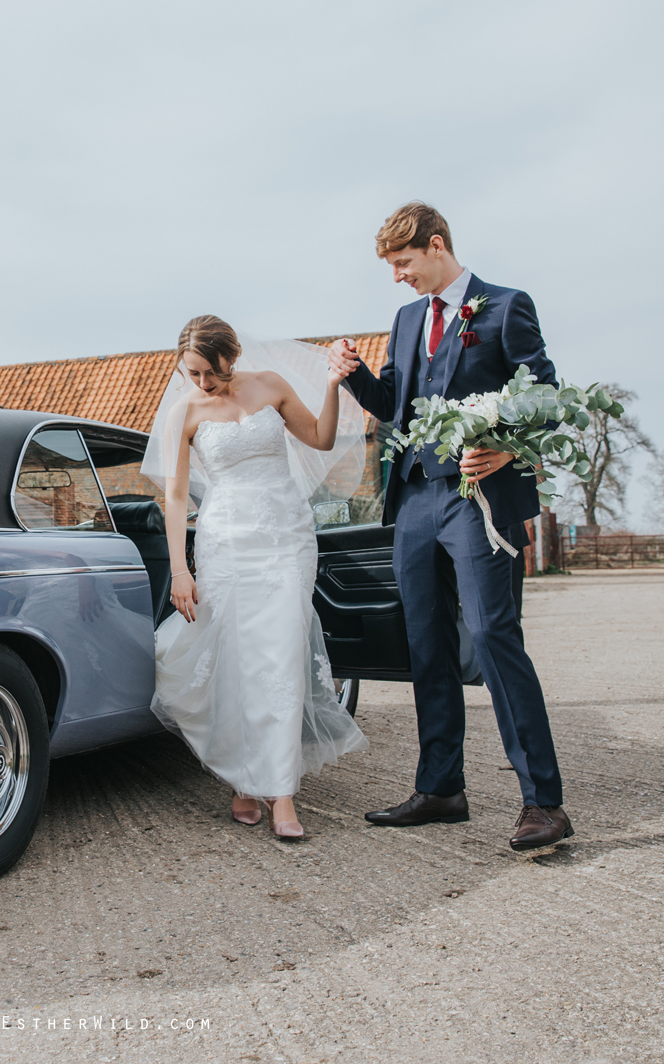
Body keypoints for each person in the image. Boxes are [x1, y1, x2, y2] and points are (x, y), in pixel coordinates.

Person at [328, 201, 573, 851]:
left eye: (404, 264)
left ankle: (543, 801)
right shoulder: (407, 321)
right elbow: (395, 407)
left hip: (477, 497)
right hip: (413, 502)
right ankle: (440, 788)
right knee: (426, 646)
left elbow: (544, 394)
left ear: (437, 246)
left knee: (493, 634)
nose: (398, 278)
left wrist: (511, 449)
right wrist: (355, 379)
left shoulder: (504, 306)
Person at [143, 315, 369, 840]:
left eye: (209, 372)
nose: (201, 383)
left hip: (287, 537)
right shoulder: (186, 410)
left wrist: (334, 386)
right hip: (227, 542)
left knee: (282, 654)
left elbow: (321, 436)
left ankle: (281, 792)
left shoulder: (271, 386)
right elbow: (176, 497)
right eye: (191, 373)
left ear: (232, 356)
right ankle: (244, 780)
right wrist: (181, 568)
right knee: (240, 659)